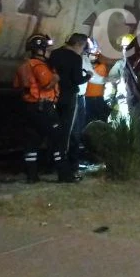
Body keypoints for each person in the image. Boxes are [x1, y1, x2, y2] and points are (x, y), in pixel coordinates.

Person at [13, 34, 61, 183]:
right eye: (47, 48)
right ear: (41, 49)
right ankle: (65, 174)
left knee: (31, 143)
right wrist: (56, 78)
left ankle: (32, 176)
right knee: (57, 140)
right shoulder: (39, 66)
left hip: (29, 107)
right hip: (43, 107)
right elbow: (47, 84)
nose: (48, 52)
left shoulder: (23, 66)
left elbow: (16, 85)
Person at [47, 33, 92, 183]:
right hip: (69, 97)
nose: (83, 50)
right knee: (67, 131)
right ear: (79, 44)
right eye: (83, 47)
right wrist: (88, 76)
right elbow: (77, 79)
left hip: (54, 96)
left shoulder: (54, 54)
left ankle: (50, 162)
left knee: (54, 129)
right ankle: (64, 166)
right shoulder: (75, 58)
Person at [84, 41, 111, 124]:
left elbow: (93, 77)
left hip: (96, 98)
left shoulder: (101, 67)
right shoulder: (91, 66)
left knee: (97, 120)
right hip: (88, 98)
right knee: (89, 120)